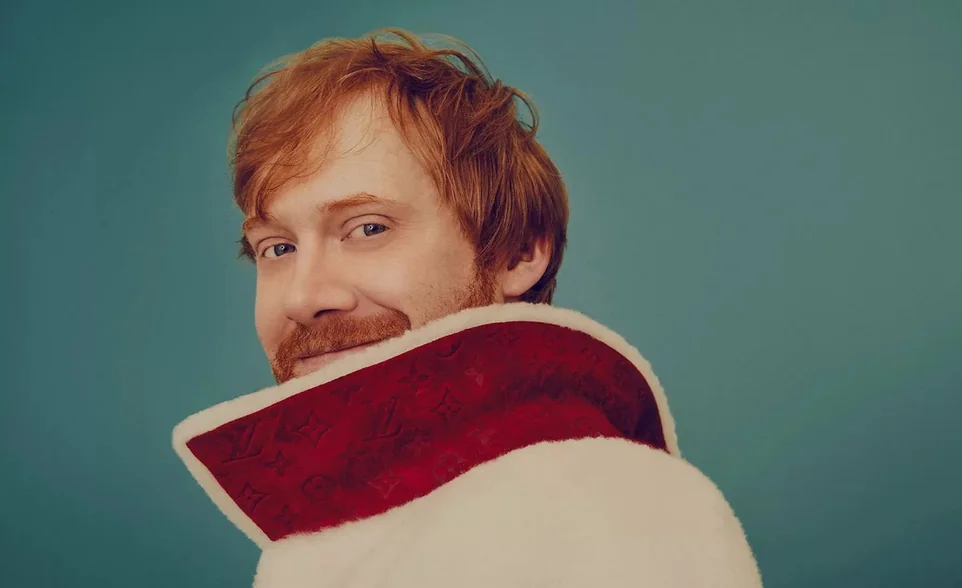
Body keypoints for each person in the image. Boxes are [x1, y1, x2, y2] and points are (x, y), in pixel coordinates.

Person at [173, 28, 763, 587]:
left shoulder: (607, 503)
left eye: (367, 228)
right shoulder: (333, 543)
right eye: (277, 247)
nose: (304, 298)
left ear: (516, 252)